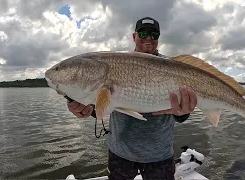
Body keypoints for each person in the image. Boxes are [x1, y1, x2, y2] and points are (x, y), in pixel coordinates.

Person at [67, 17, 197, 180]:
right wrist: (87, 108)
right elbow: (104, 105)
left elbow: (180, 115)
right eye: (143, 33)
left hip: (159, 155)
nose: (148, 38)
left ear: (158, 38)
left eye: (154, 35)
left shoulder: (172, 67)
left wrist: (183, 112)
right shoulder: (116, 63)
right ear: (134, 37)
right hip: (120, 153)